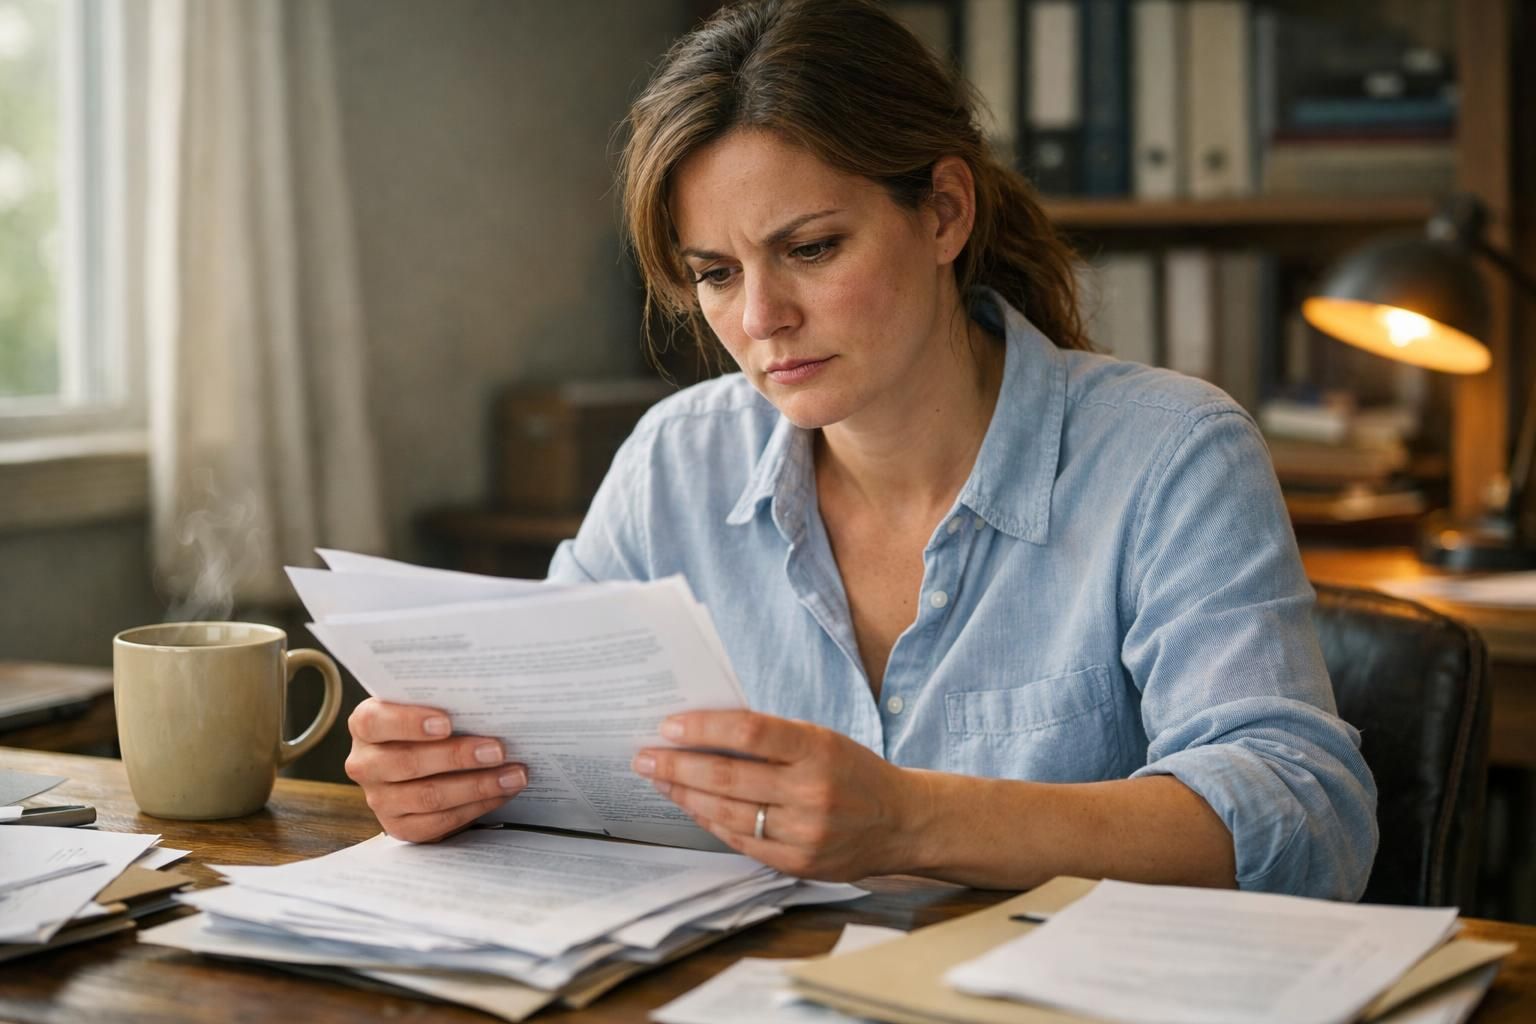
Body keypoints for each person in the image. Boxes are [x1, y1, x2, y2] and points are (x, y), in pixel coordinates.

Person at [344, 0, 1377, 899]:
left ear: (944, 212)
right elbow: (555, 759)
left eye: (811, 248)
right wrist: (450, 779)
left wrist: (912, 819)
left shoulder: (1170, 456)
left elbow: (1306, 819)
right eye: (714, 272)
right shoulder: (674, 464)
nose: (761, 318)